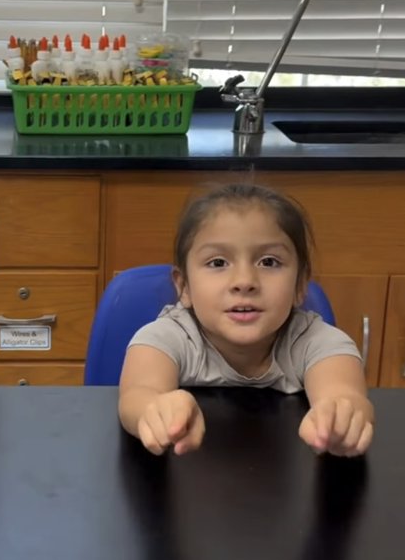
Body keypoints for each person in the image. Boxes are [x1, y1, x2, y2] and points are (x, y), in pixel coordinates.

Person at [118, 182, 374, 459]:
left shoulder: (319, 342)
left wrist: (339, 420)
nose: (244, 282)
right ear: (184, 287)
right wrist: (156, 411)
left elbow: (346, 398)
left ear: (300, 284)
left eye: (269, 262)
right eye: (217, 262)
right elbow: (136, 397)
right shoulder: (164, 338)